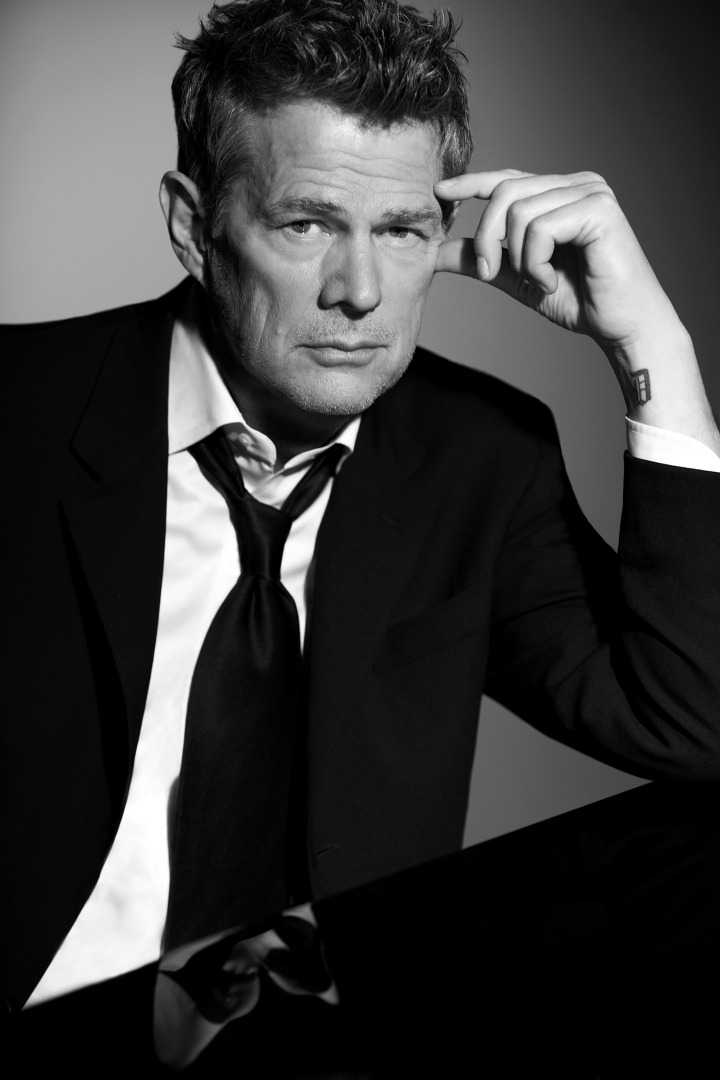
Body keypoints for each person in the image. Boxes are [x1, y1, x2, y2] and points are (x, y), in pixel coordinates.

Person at [3, 0, 720, 1071]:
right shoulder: (19, 412)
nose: (362, 293)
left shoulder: (481, 459)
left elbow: (690, 724)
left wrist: (652, 347)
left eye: (402, 231)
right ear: (194, 226)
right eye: (307, 224)